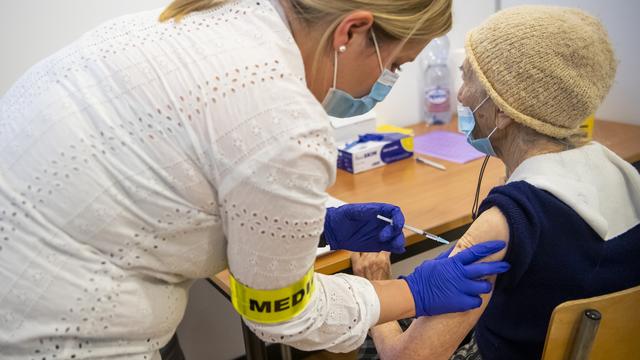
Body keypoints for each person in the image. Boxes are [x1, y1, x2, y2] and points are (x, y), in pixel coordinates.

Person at [0, 0, 510, 359]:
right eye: (395, 64)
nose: (388, 81)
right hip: (59, 328)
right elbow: (278, 313)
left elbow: (183, 183)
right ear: (351, 31)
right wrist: (413, 291)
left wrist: (320, 228)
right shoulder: (279, 114)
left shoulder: (202, 24)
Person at [352, 5, 640, 360]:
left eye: (468, 78)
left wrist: (375, 285)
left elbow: (407, 358)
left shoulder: (505, 222)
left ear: (504, 109)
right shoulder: (624, 174)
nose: (460, 95)